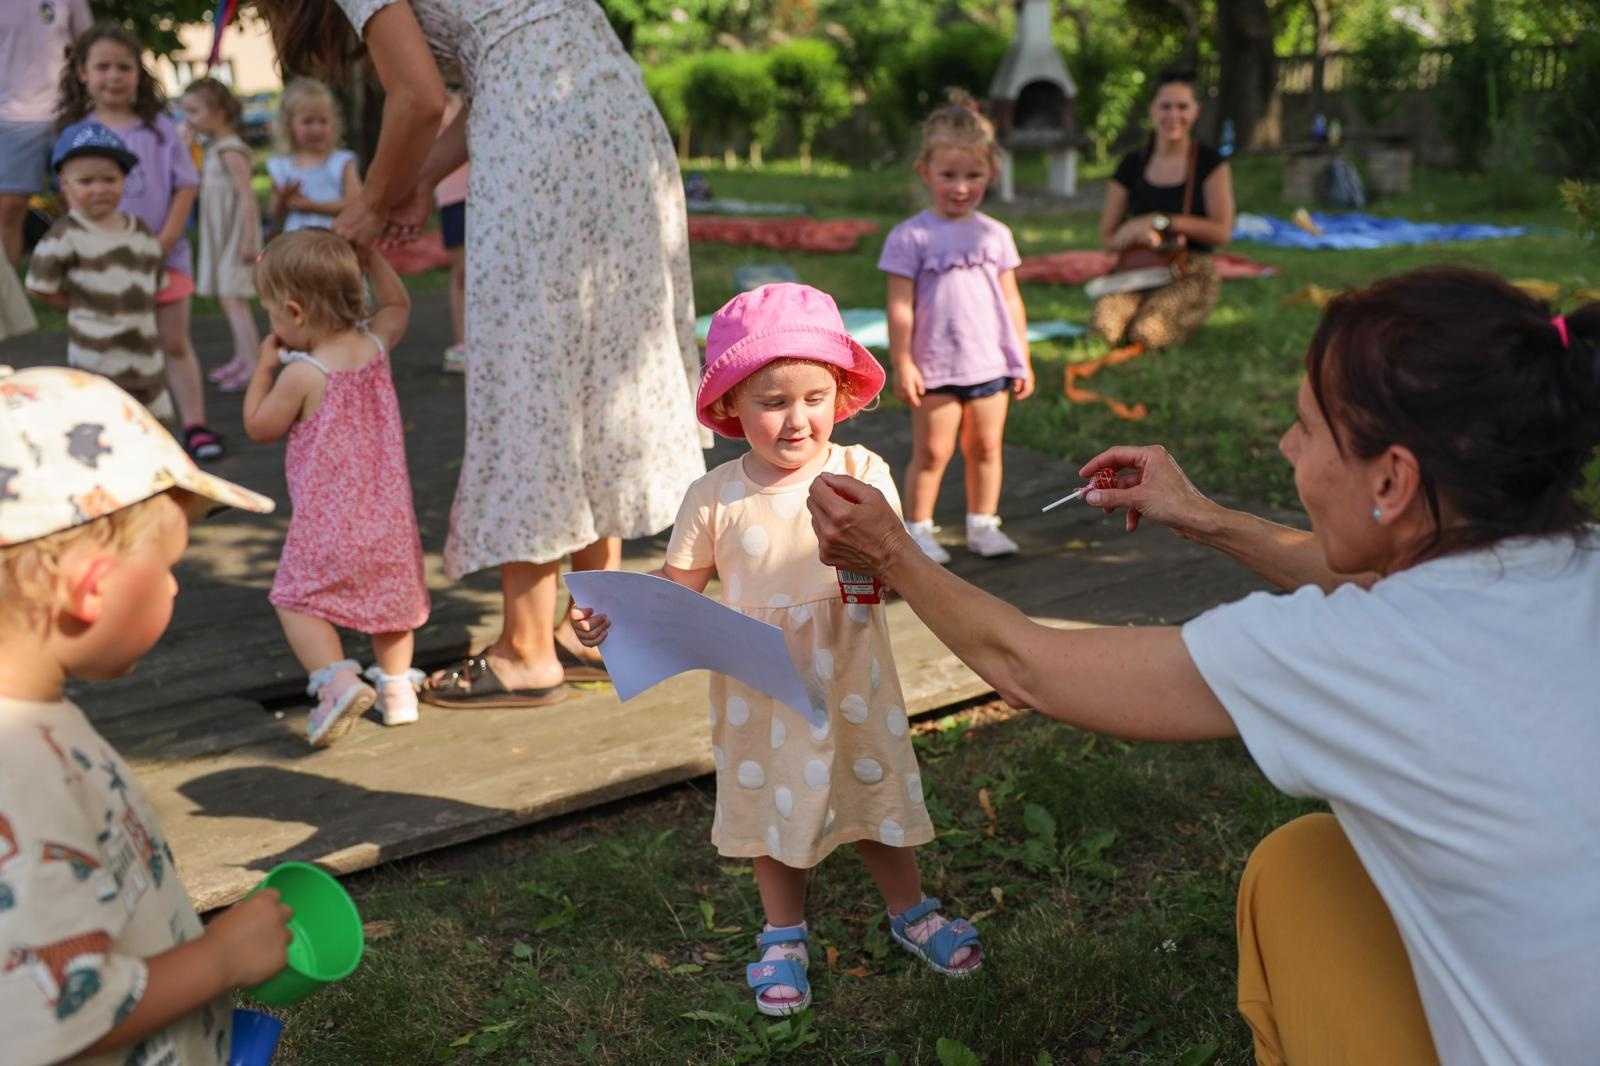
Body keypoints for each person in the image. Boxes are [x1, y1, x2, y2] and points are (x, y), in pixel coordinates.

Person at [808, 267, 1600, 1066]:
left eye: (1305, 429)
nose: (1287, 447)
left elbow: (1029, 666)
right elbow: (1379, 585)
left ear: (1391, 479)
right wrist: (1203, 518)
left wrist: (891, 554)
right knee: (1305, 865)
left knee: (1298, 882)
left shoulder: (1363, 655)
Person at [251, 0, 706, 709]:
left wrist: (372, 202)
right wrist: (421, 180)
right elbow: (512, 57)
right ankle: (593, 629)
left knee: (530, 371)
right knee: (602, 365)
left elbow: (420, 96)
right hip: (616, 117)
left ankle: (526, 648)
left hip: (539, 138)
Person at [570, 284, 984, 1016]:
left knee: (871, 786)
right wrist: (615, 619)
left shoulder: (861, 476)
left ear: (841, 393)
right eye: (773, 401)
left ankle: (911, 910)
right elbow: (678, 595)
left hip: (852, 672)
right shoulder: (714, 497)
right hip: (761, 685)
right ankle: (783, 932)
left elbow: (889, 573)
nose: (798, 419)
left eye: (814, 397)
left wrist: (874, 559)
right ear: (731, 406)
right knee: (771, 805)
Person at [0, 365, 292, 1065]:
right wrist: (222, 960)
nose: (172, 590)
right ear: (93, 590)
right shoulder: (18, 770)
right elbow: (53, 1023)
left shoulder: (33, 724)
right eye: (168, 568)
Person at [243, 229, 430, 746]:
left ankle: (337, 680)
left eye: (272, 314)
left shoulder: (304, 373)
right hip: (389, 520)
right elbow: (397, 303)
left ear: (295, 313)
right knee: (393, 605)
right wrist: (370, 255)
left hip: (329, 524)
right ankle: (397, 693)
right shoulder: (374, 344)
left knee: (296, 598)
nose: (272, 326)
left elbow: (259, 426)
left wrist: (262, 368)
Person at [879, 91, 1035, 564]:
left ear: (991, 172)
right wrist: (903, 361)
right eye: (949, 175)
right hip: (936, 367)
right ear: (925, 172)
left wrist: (1020, 356)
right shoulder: (911, 237)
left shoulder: (995, 234)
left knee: (987, 447)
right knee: (933, 451)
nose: (961, 187)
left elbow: (1011, 298)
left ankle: (983, 525)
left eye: (973, 175)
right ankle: (918, 529)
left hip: (989, 364)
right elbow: (900, 307)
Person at [56, 24, 224, 462]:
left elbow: (185, 184)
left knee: (172, 342)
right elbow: (68, 195)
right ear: (81, 73)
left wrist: (164, 240)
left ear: (139, 73)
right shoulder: (77, 132)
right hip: (102, 264)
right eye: (103, 67)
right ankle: (122, 431)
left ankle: (194, 425)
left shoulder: (161, 129)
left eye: (124, 67)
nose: (114, 76)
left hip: (165, 257)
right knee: (116, 349)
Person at [25, 121, 172, 423]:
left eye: (109, 179)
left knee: (158, 430)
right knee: (106, 433)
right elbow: (39, 285)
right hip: (96, 364)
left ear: (123, 179)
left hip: (148, 362)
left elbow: (156, 286)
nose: (99, 189)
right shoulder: (65, 235)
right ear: (64, 183)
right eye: (86, 181)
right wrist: (79, 303)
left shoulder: (141, 233)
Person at [1093, 69, 1235, 354]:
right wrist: (1135, 233)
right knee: (1103, 330)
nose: (1174, 115)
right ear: (1152, 110)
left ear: (1195, 111)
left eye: (1182, 106)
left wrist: (1164, 221)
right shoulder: (1131, 164)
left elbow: (1221, 232)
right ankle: (1136, 309)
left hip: (1188, 266)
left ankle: (1167, 314)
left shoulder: (1210, 163)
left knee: (1148, 334)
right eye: (1165, 106)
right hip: (1140, 265)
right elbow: (1107, 237)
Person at [179, 78, 262, 392]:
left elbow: (247, 196)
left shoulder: (230, 150)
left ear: (218, 112)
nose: (188, 119)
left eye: (193, 111)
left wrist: (249, 240)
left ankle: (253, 364)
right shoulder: (212, 148)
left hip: (236, 236)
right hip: (224, 235)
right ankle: (243, 357)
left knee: (233, 300)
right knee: (230, 300)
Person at [0, 0, 92, 269]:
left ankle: (92, 284)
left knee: (79, 203)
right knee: (8, 208)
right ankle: (7, 300)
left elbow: (87, 45)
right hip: (11, 117)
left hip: (67, 115)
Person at [265, 79, 361, 236]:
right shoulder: (282, 167)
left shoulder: (341, 162)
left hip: (334, 244)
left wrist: (314, 207)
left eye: (323, 121)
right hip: (296, 247)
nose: (316, 128)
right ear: (289, 124)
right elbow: (274, 215)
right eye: (308, 121)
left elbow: (356, 203)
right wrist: (283, 198)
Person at [434, 91, 468, 374]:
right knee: (462, 271)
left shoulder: (464, 96)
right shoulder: (432, 99)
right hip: (453, 196)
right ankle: (462, 342)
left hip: (483, 190)